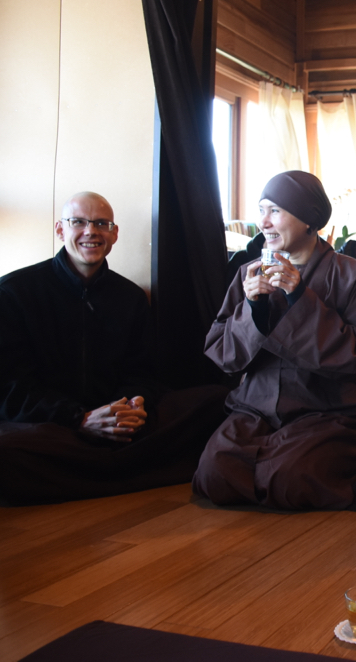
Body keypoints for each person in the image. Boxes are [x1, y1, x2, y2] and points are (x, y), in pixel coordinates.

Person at [0, 192, 227, 504]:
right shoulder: (14, 293)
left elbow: (144, 373)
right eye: (78, 222)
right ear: (60, 230)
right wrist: (80, 419)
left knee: (216, 401)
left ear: (114, 233)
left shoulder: (130, 297)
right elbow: (11, 389)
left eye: (101, 223)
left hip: (118, 422)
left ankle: (86, 474)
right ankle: (120, 470)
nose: (91, 231)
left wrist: (131, 407)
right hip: (57, 427)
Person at [193, 171, 356, 510]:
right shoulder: (248, 273)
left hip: (327, 411)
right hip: (257, 410)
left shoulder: (353, 275)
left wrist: (300, 297)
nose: (263, 222)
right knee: (214, 473)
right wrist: (252, 308)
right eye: (262, 209)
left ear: (310, 220)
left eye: (275, 211)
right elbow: (223, 354)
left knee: (288, 478)